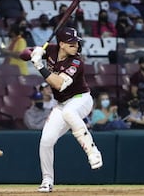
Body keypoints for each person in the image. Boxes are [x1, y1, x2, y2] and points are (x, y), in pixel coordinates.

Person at [28, 27, 103, 192]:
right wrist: (34, 51)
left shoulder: (76, 62)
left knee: (70, 112)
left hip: (81, 99)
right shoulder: (52, 50)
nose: (76, 45)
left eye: (76, 42)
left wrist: (39, 65)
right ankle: (47, 181)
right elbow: (23, 54)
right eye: (71, 43)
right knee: (46, 141)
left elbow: (59, 84)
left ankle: (92, 151)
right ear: (61, 44)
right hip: (61, 104)